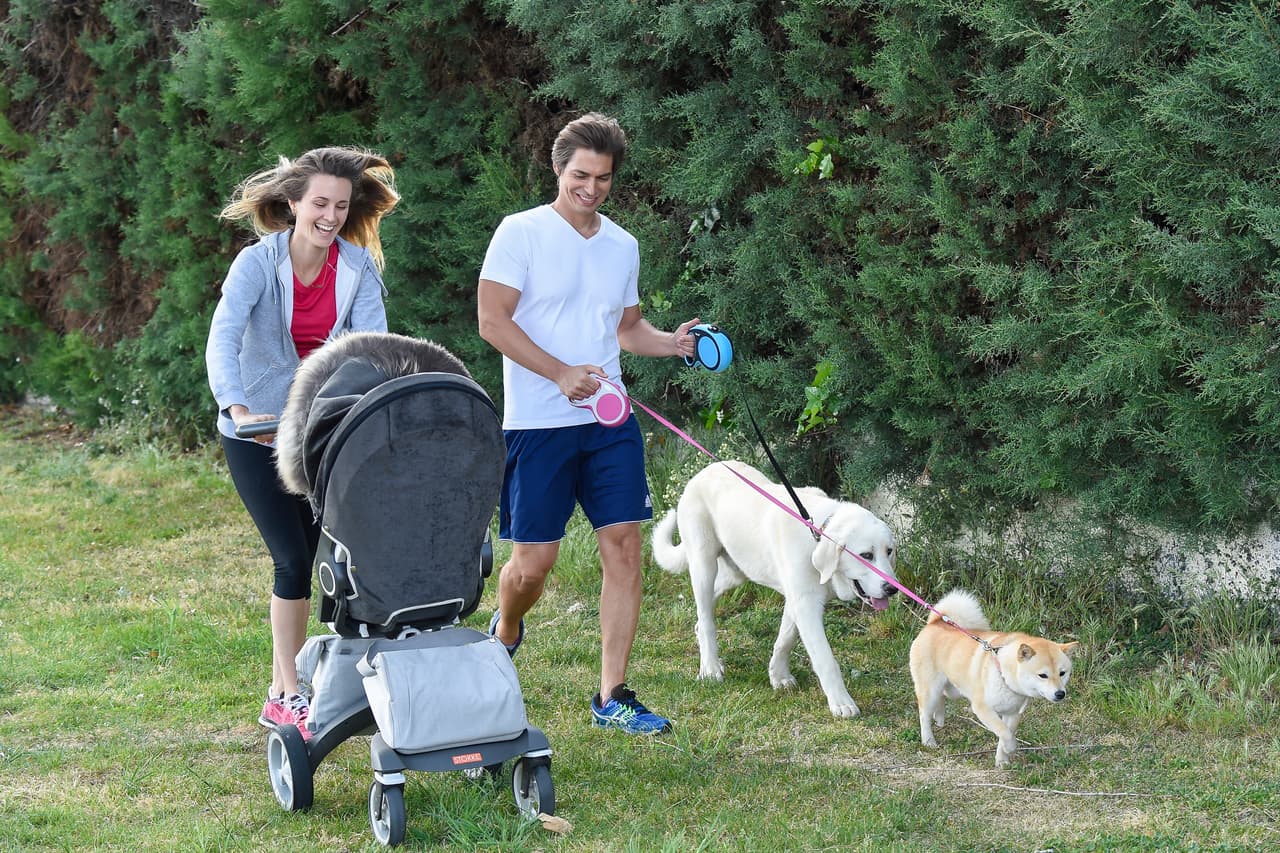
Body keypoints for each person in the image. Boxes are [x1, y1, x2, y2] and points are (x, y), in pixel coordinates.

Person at [477, 112, 698, 735]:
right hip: (538, 423)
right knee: (533, 563)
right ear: (558, 168)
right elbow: (492, 321)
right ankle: (509, 625)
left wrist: (673, 343)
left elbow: (626, 329)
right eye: (581, 174)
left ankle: (612, 696)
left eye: (603, 178)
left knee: (624, 546)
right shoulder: (519, 234)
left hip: (610, 421)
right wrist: (556, 372)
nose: (591, 188)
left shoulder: (621, 246)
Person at [206, 146, 399, 739]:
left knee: (324, 559)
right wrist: (235, 406)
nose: (331, 215)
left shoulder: (359, 268)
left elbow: (371, 346)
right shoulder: (256, 266)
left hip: (321, 434)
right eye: (319, 203)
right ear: (292, 204)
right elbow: (223, 337)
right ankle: (285, 692)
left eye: (341, 206)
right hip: (257, 432)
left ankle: (326, 677)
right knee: (290, 559)